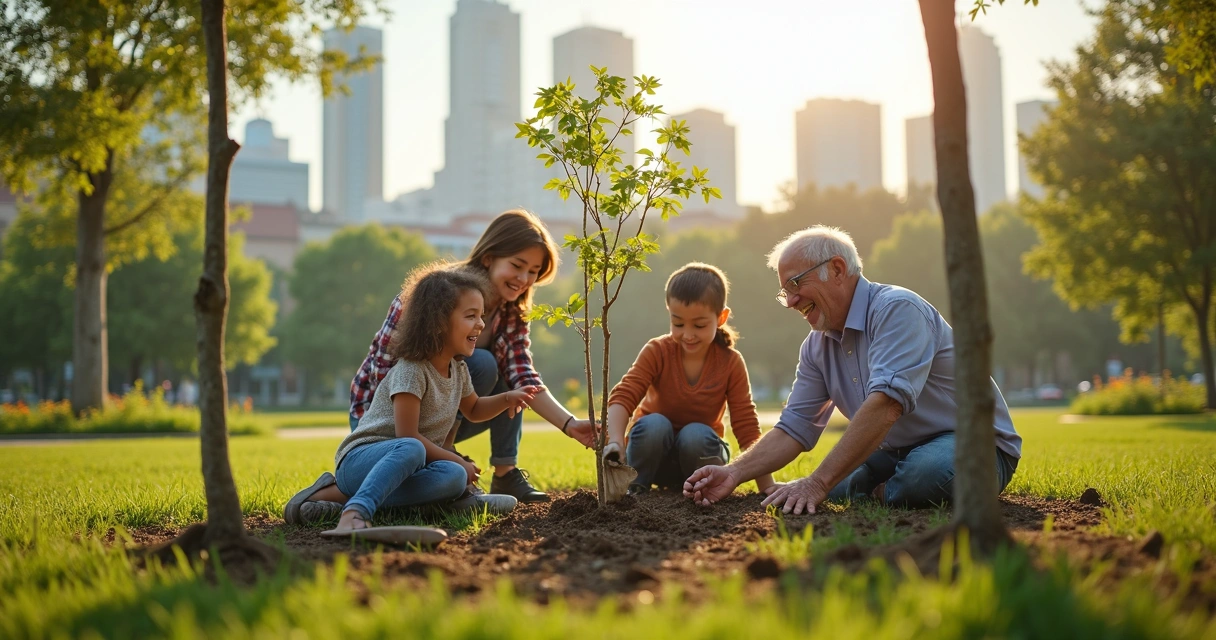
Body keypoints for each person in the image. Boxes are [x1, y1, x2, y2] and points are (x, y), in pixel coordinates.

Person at [684, 226, 1022, 514]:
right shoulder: (816, 346)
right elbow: (794, 429)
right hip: (894, 452)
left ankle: (879, 490)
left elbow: (887, 405)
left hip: (974, 444)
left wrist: (817, 483)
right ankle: (884, 488)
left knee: (925, 472)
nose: (790, 302)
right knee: (833, 483)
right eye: (784, 292)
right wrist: (733, 472)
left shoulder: (897, 310)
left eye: (795, 285)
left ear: (837, 268)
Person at [289, 264, 537, 531]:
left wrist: (507, 398)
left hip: (409, 468)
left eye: (482, 315)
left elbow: (474, 408)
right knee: (416, 449)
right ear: (438, 323)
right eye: (471, 315)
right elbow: (407, 436)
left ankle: (432, 500)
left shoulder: (459, 368)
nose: (481, 324)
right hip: (361, 462)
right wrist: (456, 458)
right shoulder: (412, 370)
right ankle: (352, 508)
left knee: (453, 477)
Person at [602, 263, 774, 495]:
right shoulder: (657, 351)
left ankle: (700, 489)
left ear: (721, 317)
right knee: (654, 425)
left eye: (700, 325)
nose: (688, 334)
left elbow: (746, 425)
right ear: (669, 314)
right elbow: (625, 395)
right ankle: (634, 489)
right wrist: (615, 441)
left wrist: (768, 488)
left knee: (695, 434)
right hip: (652, 463)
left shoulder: (730, 362)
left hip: (701, 461)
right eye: (678, 323)